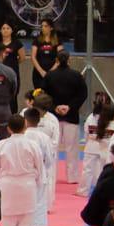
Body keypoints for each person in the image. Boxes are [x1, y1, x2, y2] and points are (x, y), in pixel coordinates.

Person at [0, 115, 43, 226]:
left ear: (8, 129)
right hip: (27, 185)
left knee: (8, 220)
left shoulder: (2, 145)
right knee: (26, 220)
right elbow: (39, 167)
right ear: (25, 127)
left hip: (7, 184)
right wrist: (37, 183)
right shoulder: (32, 145)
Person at [42, 52, 89, 184]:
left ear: (56, 61)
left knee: (52, 147)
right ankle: (72, 177)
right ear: (69, 60)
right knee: (72, 148)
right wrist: (70, 107)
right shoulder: (77, 75)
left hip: (53, 116)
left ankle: (50, 176)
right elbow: (83, 94)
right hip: (71, 115)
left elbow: (43, 94)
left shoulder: (49, 75)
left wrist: (55, 107)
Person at [78, 99, 114, 197]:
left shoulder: (91, 118)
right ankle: (102, 191)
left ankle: (83, 191)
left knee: (87, 170)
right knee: (104, 171)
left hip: (91, 146)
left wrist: (88, 141)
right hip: (107, 150)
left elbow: (86, 132)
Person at [0, 20, 25, 110]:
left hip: (13, 74)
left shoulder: (17, 43)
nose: (5, 30)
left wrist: (13, 63)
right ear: (0, 30)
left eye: (8, 28)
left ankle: (12, 115)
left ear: (12, 30)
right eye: (3, 28)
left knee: (12, 97)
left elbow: (22, 58)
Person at [30, 19, 62, 90]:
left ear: (51, 28)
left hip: (53, 73)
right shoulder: (37, 40)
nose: (43, 28)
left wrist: (50, 72)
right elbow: (33, 57)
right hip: (38, 73)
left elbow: (60, 57)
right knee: (39, 94)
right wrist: (41, 71)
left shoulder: (57, 41)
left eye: (45, 26)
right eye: (42, 26)